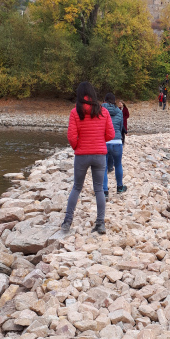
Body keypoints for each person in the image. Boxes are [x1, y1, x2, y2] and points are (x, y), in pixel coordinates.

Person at [62, 82, 115, 235]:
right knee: (99, 189)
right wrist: (98, 141)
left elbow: (71, 136)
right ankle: (100, 223)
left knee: (77, 188)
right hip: (99, 155)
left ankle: (67, 222)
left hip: (82, 155)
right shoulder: (103, 111)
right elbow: (111, 134)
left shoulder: (75, 112)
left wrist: (78, 146)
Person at [102, 92, 127, 198]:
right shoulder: (119, 111)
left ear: (105, 100)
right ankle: (119, 187)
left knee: (103, 167)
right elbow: (121, 126)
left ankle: (104, 190)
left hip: (104, 141)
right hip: (116, 141)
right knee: (118, 164)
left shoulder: (100, 110)